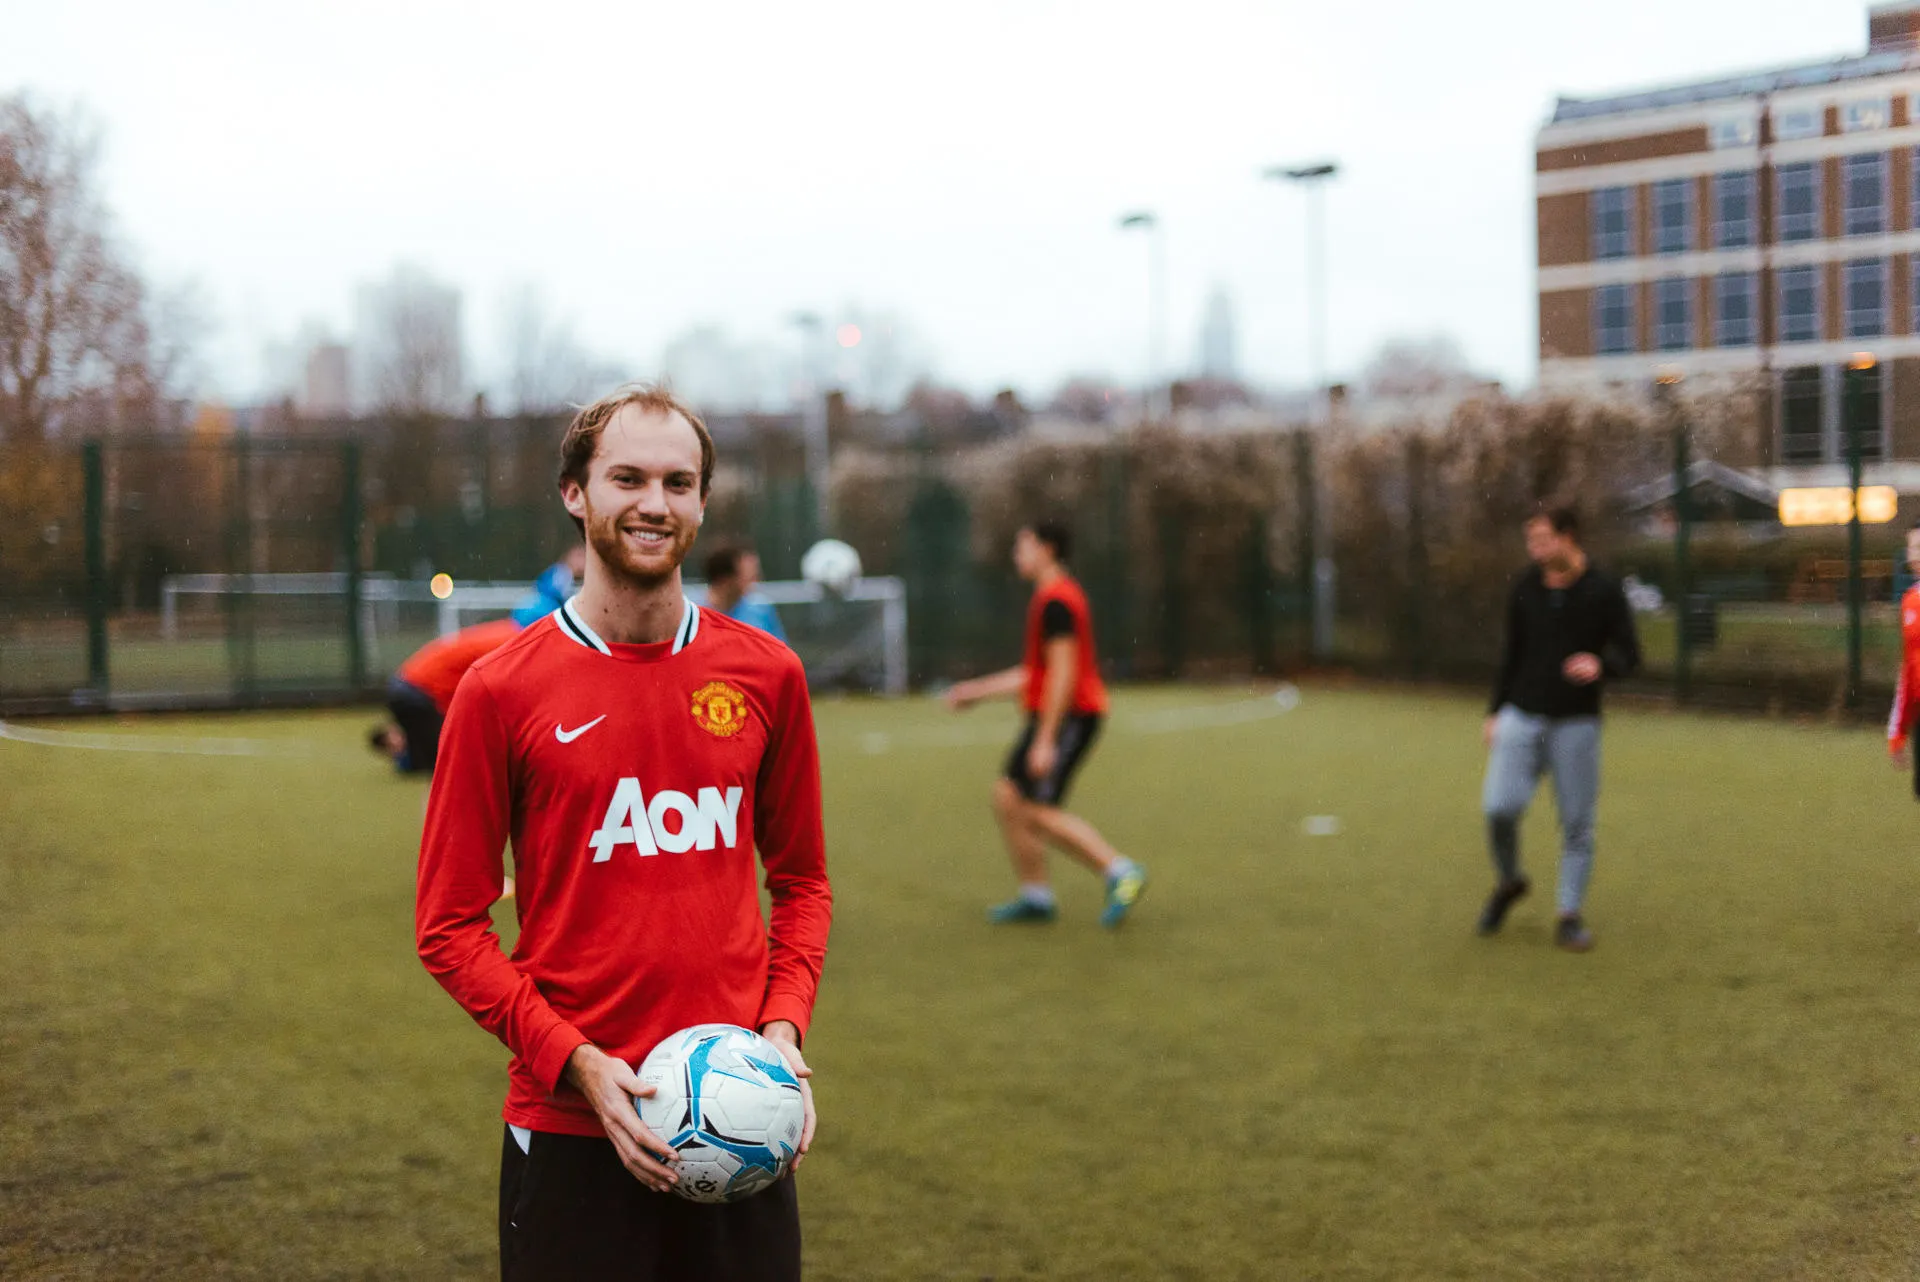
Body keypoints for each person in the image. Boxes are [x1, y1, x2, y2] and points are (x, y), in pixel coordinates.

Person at [415, 384, 832, 1282]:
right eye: (628, 478)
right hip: (570, 1132)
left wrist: (784, 1034)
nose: (654, 503)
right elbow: (447, 928)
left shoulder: (768, 675)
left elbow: (801, 882)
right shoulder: (500, 692)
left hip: (741, 1126)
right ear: (577, 493)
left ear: (703, 502)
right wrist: (579, 1065)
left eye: (678, 483)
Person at [946, 520, 1146, 929]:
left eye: (1024, 547)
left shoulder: (1058, 602)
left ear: (1049, 549)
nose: (1017, 555)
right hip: (1057, 713)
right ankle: (1036, 896)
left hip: (1072, 716)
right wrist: (977, 691)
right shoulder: (1049, 598)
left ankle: (1119, 871)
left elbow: (1063, 675)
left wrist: (1045, 739)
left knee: (1034, 808)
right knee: (1008, 797)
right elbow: (1036, 672)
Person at [1477, 506, 1641, 953]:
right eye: (1531, 541)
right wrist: (1495, 713)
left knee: (1576, 825)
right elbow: (1510, 655)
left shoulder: (1603, 590)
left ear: (1568, 537)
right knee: (1498, 808)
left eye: (1543, 540)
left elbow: (1631, 654)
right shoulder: (1526, 588)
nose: (1535, 550)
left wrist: (1600, 665)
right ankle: (1510, 881)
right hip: (1521, 715)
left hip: (1577, 724)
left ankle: (1568, 915)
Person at [371, 616, 523, 774]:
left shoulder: (503, 632)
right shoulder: (510, 644)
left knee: (435, 755)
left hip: (407, 687)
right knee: (444, 763)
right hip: (417, 693)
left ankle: (409, 751)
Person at [1887, 521, 1920, 796]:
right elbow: (1908, 672)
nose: (1916, 553)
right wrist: (1898, 732)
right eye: (1912, 546)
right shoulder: (1910, 601)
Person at [704, 544, 788, 642]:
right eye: (746, 576)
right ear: (725, 580)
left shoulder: (761, 610)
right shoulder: (696, 616)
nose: (755, 581)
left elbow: (780, 650)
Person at [510, 543, 587, 626]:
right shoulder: (562, 574)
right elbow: (553, 594)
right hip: (535, 614)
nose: (581, 562)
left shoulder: (565, 575)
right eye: (578, 556)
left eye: (583, 557)